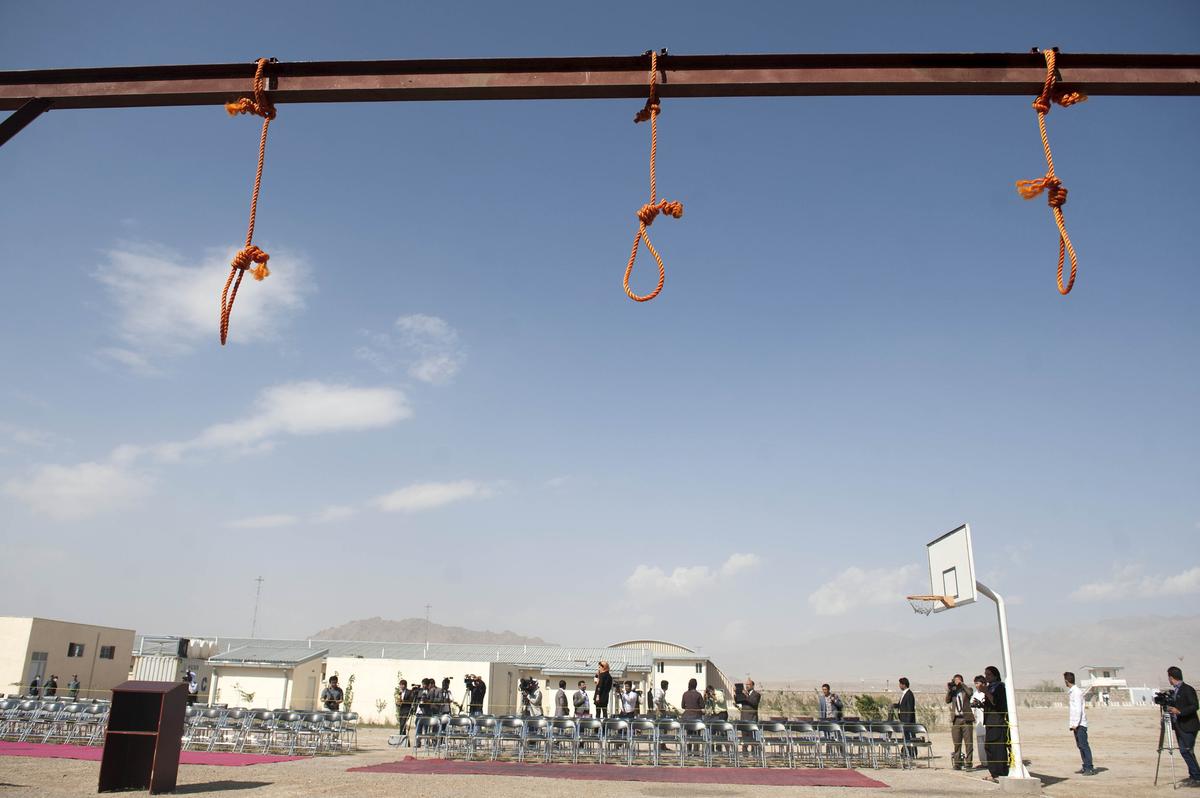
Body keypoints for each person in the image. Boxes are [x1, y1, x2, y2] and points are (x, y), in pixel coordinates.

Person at [1166, 666, 1200, 785]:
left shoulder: (1187, 689)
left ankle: (1197, 777)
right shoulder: (1175, 690)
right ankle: (1194, 776)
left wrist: (1179, 711)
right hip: (1179, 725)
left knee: (1187, 751)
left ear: (1171, 677)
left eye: (1169, 677)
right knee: (1184, 751)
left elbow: (1195, 706)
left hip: (1188, 725)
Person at [1064, 671, 1096, 776]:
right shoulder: (1073, 692)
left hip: (1080, 724)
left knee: (1084, 745)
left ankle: (1089, 767)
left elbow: (1078, 710)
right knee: (1080, 746)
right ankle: (1085, 765)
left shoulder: (1076, 692)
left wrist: (1076, 724)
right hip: (1076, 724)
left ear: (1066, 681)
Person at [982, 665, 1010, 781]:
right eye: (985, 674)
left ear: (995, 675)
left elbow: (997, 703)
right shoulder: (990, 687)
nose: (986, 677)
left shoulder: (999, 687)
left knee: (998, 748)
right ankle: (993, 772)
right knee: (989, 747)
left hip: (997, 721)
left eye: (988, 674)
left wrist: (986, 692)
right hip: (989, 721)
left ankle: (1001, 772)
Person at [945, 674, 974, 771]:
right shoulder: (953, 692)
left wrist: (962, 685)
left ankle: (969, 763)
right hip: (956, 719)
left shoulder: (966, 690)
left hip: (966, 719)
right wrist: (950, 689)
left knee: (968, 743)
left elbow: (970, 693)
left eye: (958, 680)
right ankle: (957, 763)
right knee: (957, 743)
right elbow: (947, 700)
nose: (956, 682)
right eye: (955, 680)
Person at [894, 677, 916, 758]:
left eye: (900, 684)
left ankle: (911, 753)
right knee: (906, 737)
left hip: (907, 721)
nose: (899, 686)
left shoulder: (909, 694)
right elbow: (901, 705)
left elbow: (910, 708)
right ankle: (906, 752)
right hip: (903, 719)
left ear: (904, 684)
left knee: (909, 737)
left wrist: (908, 721)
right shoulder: (904, 694)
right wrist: (895, 706)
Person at [971, 675, 988, 771]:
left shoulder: (987, 693)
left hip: (987, 722)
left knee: (988, 743)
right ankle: (984, 762)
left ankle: (991, 762)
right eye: (975, 684)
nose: (976, 685)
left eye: (977, 683)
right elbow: (972, 706)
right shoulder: (975, 694)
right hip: (979, 723)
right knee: (980, 744)